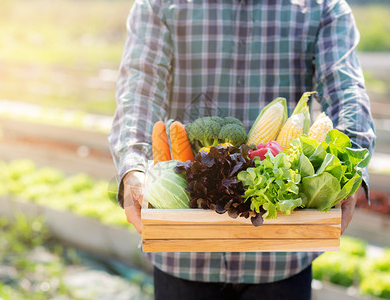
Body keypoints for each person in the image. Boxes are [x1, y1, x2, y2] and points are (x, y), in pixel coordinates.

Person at [109, 0, 376, 299]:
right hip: (183, 250)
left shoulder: (323, 8)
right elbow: (139, 93)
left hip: (281, 253)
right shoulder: (159, 6)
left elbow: (347, 94)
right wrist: (133, 165)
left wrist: (349, 169)